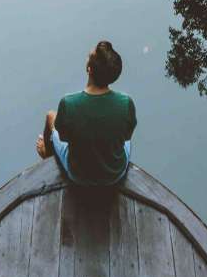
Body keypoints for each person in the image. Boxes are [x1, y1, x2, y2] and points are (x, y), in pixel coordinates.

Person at [36, 40, 136, 186]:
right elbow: (127, 135)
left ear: (89, 69)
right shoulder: (126, 103)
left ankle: (47, 154)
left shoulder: (69, 104)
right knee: (127, 141)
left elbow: (63, 138)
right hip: (115, 174)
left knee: (51, 116)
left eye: (90, 55)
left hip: (79, 175)